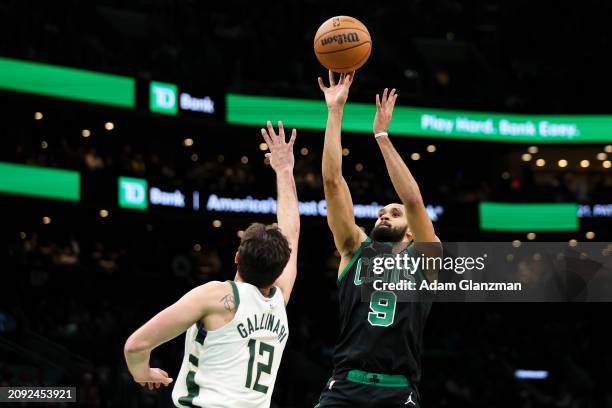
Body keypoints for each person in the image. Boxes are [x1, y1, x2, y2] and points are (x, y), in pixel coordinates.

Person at [124, 121, 300, 408]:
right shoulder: (280, 299)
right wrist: (284, 170)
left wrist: (143, 373)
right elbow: (291, 230)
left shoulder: (216, 296)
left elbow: (136, 346)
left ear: (237, 257)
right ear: (281, 269)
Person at [315, 71, 441, 408]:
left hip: (397, 389)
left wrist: (382, 136)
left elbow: (413, 201)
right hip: (345, 384)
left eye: (393, 213)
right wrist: (335, 111)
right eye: (382, 212)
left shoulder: (426, 260)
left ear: (412, 230)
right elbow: (332, 181)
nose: (384, 215)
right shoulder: (355, 247)